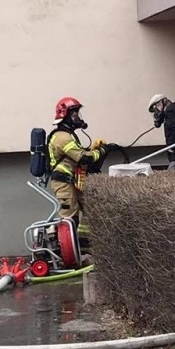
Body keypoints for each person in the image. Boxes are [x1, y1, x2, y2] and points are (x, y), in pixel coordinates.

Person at [47, 97, 108, 245]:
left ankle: (83, 242)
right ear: (65, 115)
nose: (78, 118)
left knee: (91, 206)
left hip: (72, 181)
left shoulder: (67, 135)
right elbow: (83, 158)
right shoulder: (62, 137)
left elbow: (80, 154)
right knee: (70, 216)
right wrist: (102, 151)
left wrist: (94, 150)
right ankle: (65, 247)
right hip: (63, 182)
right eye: (74, 114)